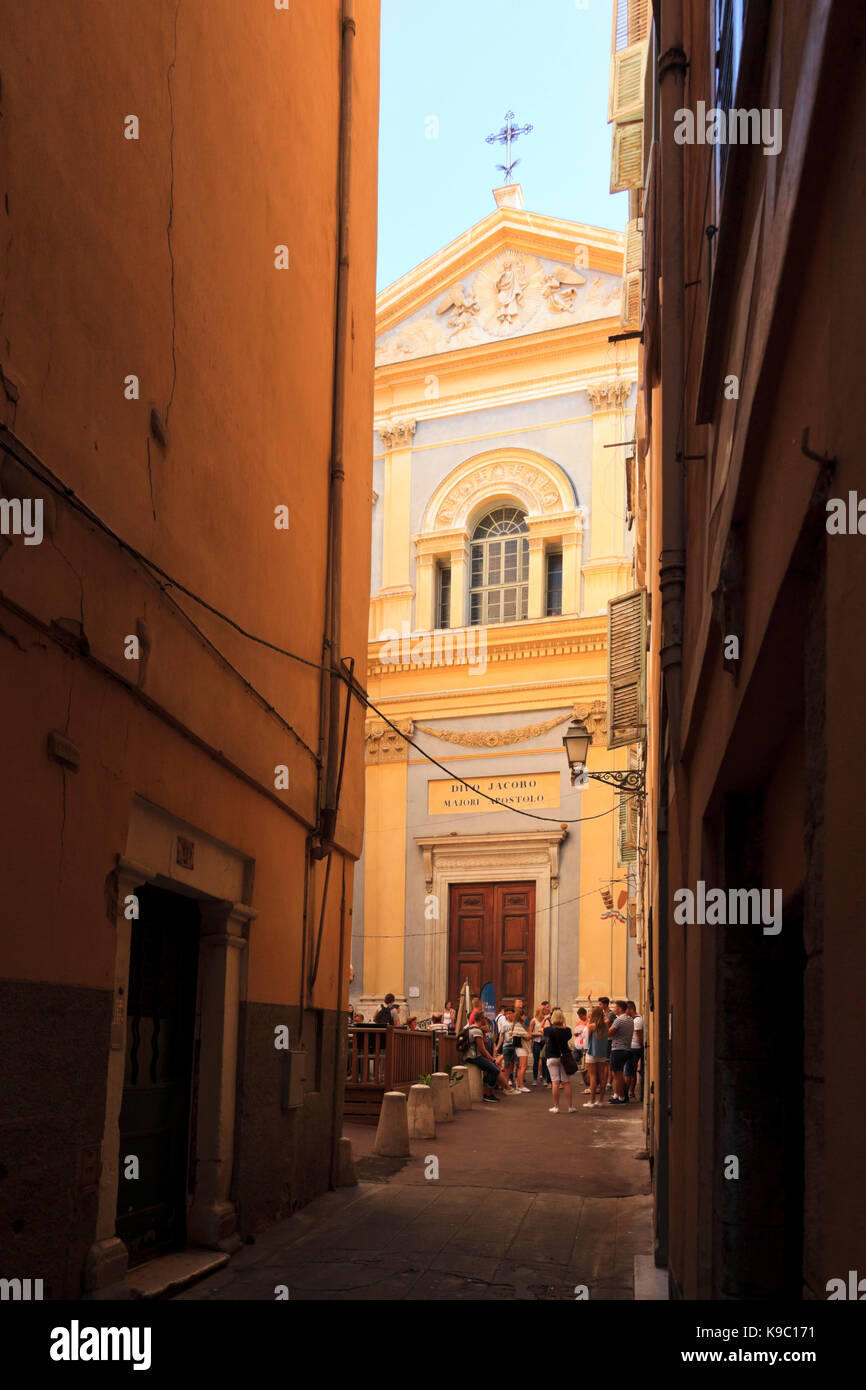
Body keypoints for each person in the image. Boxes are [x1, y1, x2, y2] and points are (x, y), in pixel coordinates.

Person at [465, 1013, 510, 1102]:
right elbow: (482, 1050)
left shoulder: (471, 1028)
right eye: (485, 1018)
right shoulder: (477, 1031)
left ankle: (487, 1092)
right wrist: (492, 1059)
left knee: (489, 1069)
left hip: (470, 1056)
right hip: (473, 1057)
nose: (486, 1019)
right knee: (495, 1070)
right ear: (481, 1019)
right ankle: (488, 1094)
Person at [543, 1008, 576, 1113]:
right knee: (566, 1082)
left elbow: (541, 1029)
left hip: (552, 1057)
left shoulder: (549, 1030)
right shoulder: (567, 1031)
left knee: (555, 1082)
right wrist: (564, 1021)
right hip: (564, 1058)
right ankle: (570, 1107)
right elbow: (566, 1032)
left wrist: (545, 1020)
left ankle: (556, 1107)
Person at [607, 1000, 635, 1103]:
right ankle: (620, 1095)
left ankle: (621, 1097)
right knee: (620, 1074)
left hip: (618, 1049)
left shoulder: (619, 1020)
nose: (614, 1009)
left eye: (615, 1007)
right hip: (627, 1049)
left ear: (619, 1008)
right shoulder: (630, 1020)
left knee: (617, 1075)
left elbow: (609, 1033)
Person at [583, 1005, 610, 1107]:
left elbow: (587, 1040)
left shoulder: (591, 1026)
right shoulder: (606, 1026)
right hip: (602, 1053)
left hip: (591, 1052)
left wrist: (584, 1051)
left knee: (593, 1076)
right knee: (602, 1076)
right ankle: (601, 1101)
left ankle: (591, 1101)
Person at [495, 1007, 518, 1091]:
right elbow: (501, 1036)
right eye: (507, 1014)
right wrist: (497, 1047)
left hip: (515, 1046)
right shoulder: (505, 1024)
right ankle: (505, 1083)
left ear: (513, 1014)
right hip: (506, 1046)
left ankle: (508, 1083)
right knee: (507, 1065)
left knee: (512, 1065)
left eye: (510, 1013)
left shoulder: (516, 1024)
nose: (508, 1015)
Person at [626, 1000, 643, 1098]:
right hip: (634, 1047)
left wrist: (641, 1047)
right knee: (632, 1071)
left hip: (634, 1048)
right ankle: (631, 1092)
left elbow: (639, 1036)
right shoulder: (636, 1019)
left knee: (628, 1072)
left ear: (630, 1009)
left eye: (626, 1010)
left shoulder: (637, 1020)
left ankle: (627, 1092)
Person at [512, 1011, 531, 1091]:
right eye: (524, 1015)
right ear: (521, 1016)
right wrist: (529, 1033)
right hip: (521, 1048)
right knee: (523, 1066)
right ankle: (521, 1085)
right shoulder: (518, 1025)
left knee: (521, 1067)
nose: (525, 1017)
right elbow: (527, 1037)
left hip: (520, 1048)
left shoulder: (517, 1025)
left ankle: (518, 1084)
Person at [529, 1006, 548, 1086]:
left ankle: (544, 1079)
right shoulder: (533, 1020)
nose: (545, 1011)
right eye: (544, 1010)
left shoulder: (546, 1020)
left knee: (544, 1061)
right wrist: (538, 1034)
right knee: (536, 1061)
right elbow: (530, 1032)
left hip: (544, 1042)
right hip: (536, 1042)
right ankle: (535, 1079)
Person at [573, 1006, 589, 1090]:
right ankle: (585, 1078)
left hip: (585, 1044)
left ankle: (586, 1079)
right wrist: (576, 1033)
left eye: (580, 1016)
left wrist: (582, 1032)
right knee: (575, 1058)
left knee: (585, 1062)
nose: (579, 1018)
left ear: (584, 1015)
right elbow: (574, 1032)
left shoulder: (588, 1022)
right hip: (578, 1042)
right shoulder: (579, 1022)